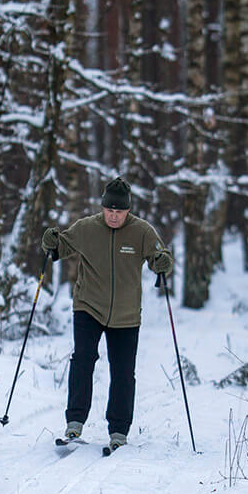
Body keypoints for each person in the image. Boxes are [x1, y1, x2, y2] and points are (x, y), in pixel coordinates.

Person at [42, 176, 174, 450]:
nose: (114, 216)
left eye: (120, 211)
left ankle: (118, 431)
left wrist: (163, 263)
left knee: (124, 372)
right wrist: (51, 242)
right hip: (88, 306)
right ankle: (74, 423)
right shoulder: (87, 228)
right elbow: (60, 247)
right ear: (103, 208)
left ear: (128, 210)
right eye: (110, 210)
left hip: (126, 315)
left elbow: (160, 258)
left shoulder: (142, 232)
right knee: (83, 359)